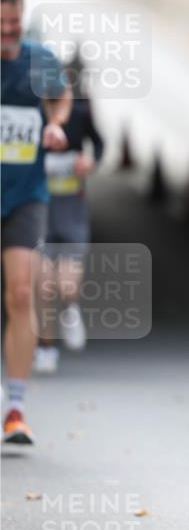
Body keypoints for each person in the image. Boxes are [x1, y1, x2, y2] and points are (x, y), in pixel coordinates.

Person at [1, 0, 71, 444]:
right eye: (1, 24)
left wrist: (56, 125)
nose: (8, 31)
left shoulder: (38, 59)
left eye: (13, 23)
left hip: (26, 194)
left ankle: (15, 408)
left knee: (22, 295)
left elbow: (61, 97)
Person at [34, 49, 105, 374]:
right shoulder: (31, 115)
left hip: (72, 210)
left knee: (67, 286)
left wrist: (88, 163)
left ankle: (72, 309)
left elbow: (99, 143)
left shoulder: (78, 111)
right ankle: (46, 348)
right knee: (43, 286)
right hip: (38, 210)